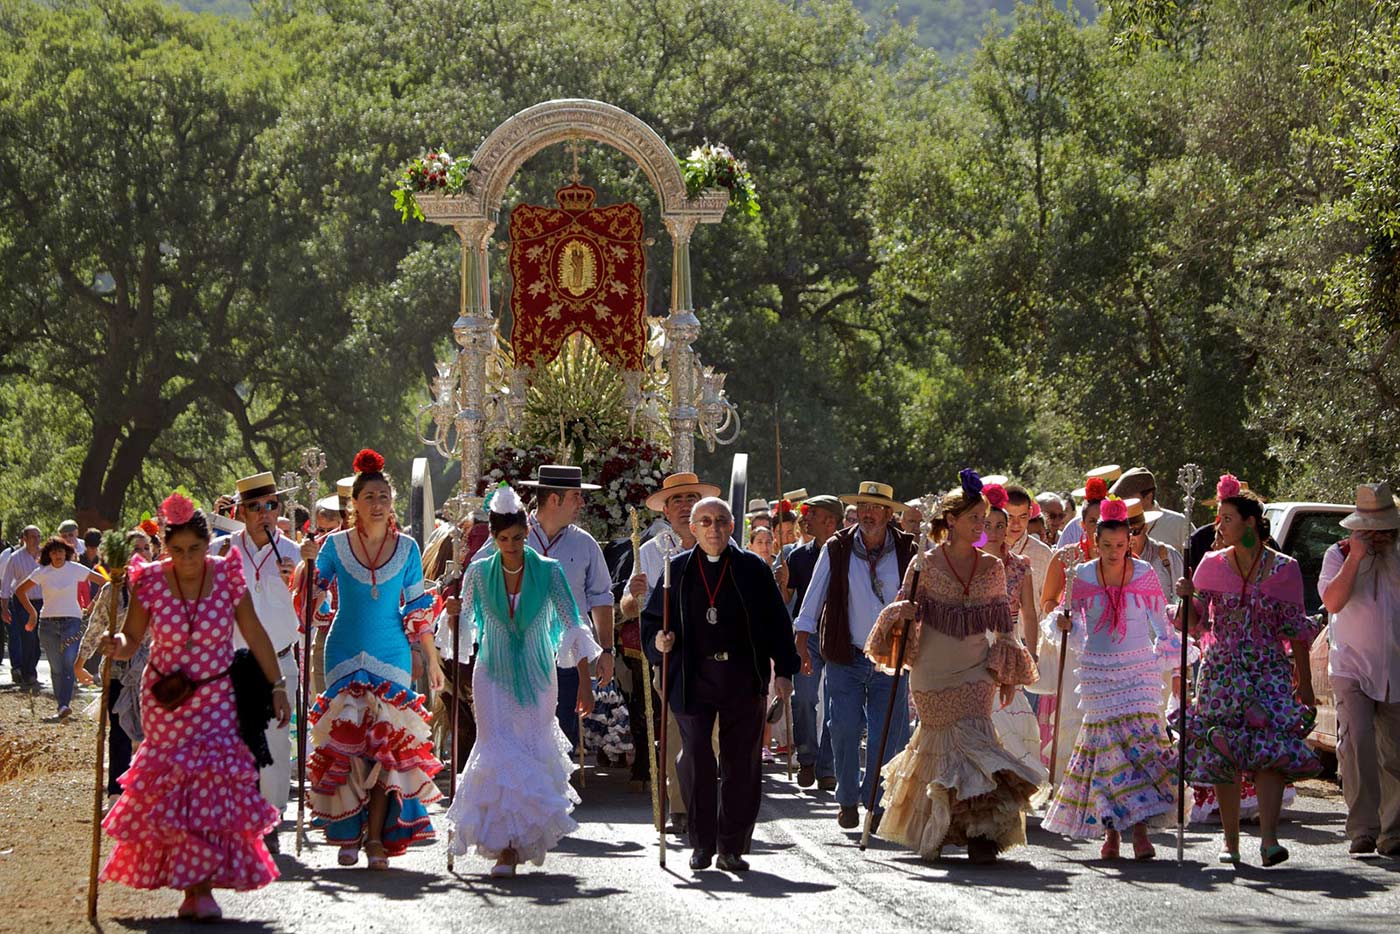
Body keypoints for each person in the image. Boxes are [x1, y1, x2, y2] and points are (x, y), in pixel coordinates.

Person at [98, 494, 288, 922]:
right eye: (177, 550)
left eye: (195, 549)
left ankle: (199, 888)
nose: (186, 559)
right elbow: (131, 639)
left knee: (210, 781)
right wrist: (117, 647)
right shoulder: (147, 581)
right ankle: (191, 886)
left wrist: (277, 684)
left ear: (209, 546)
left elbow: (254, 632)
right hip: (165, 702)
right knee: (177, 786)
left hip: (216, 697)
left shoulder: (226, 576)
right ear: (166, 547)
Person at [869, 471, 1043, 863]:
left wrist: (1007, 672)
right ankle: (942, 826)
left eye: (984, 519)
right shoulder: (923, 563)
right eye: (975, 519)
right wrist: (903, 611)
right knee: (940, 747)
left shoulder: (992, 567)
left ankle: (982, 833)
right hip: (931, 670)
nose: (982, 526)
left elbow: (1003, 625)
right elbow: (900, 610)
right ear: (951, 521)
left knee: (978, 745)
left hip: (976, 669)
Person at [444, 483, 601, 877]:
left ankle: (519, 839)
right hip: (491, 673)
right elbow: (462, 632)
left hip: (538, 674)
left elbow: (572, 626)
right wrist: (453, 612)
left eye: (516, 537)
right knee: (496, 749)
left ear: (526, 533)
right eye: (502, 539)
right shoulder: (478, 574)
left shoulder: (549, 573)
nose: (511, 545)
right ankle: (504, 848)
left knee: (527, 750)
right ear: (493, 539)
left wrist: (585, 683)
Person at [301, 449, 445, 869]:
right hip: (343, 650)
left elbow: (419, 609)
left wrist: (432, 661)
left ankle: (378, 838)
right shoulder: (332, 545)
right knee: (349, 747)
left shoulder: (409, 548)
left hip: (392, 653)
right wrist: (306, 571)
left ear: (392, 501)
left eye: (384, 496)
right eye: (369, 497)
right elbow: (314, 597)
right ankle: (348, 830)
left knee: (386, 750)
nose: (378, 503)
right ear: (354, 504)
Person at [644, 496, 800, 872]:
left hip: (743, 677)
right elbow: (652, 621)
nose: (714, 529)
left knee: (741, 764)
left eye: (721, 521)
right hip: (692, 680)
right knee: (696, 759)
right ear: (693, 529)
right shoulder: (676, 570)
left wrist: (784, 672)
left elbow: (779, 624)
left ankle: (731, 846)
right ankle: (701, 844)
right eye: (706, 522)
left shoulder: (753, 569)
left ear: (733, 527)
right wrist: (658, 641)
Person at [1175, 474, 1322, 866]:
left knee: (1271, 751)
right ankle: (1230, 841)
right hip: (1221, 670)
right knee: (1223, 751)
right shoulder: (1208, 565)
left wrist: (1304, 686)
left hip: (1269, 671)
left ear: (1250, 524)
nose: (1218, 526)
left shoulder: (1285, 569)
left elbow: (1297, 629)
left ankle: (1269, 839)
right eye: (1219, 518)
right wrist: (1186, 596)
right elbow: (1192, 624)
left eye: (1225, 518)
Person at [1042, 498, 1179, 859]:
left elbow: (1159, 623)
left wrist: (1173, 647)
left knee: (1140, 751)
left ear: (1130, 542)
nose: (1114, 552)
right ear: (1095, 541)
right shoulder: (1082, 574)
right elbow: (1066, 617)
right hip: (1099, 671)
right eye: (1107, 546)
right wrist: (1065, 623)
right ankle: (1110, 835)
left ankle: (1140, 832)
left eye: (1121, 545)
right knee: (1107, 755)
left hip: (1138, 671)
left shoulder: (1146, 573)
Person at [795, 481, 918, 830]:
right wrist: (802, 642)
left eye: (876, 507)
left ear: (889, 514)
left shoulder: (909, 550)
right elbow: (813, 598)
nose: (868, 513)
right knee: (844, 728)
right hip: (844, 656)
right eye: (863, 506)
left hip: (891, 658)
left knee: (887, 735)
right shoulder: (838, 546)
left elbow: (925, 601)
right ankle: (847, 797)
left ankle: (874, 802)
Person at [474, 464, 616, 753]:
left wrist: (606, 651)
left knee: (559, 740)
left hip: (569, 660)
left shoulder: (585, 544)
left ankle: (548, 796)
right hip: (517, 656)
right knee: (514, 741)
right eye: (576, 495)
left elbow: (601, 599)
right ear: (554, 499)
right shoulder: (511, 536)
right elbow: (477, 578)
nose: (581, 503)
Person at [619, 471, 721, 834]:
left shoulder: (718, 542)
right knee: (679, 731)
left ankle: (706, 801)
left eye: (690, 498)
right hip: (673, 655)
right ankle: (680, 807)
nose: (683, 506)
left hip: (717, 656)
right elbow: (629, 608)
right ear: (665, 509)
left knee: (712, 736)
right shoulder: (650, 550)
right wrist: (635, 593)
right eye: (676, 500)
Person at [215, 472, 304, 854]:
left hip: (281, 659)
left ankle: (272, 813)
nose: (265, 514)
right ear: (241, 511)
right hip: (232, 661)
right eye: (256, 507)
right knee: (233, 741)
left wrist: (298, 584)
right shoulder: (222, 551)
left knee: (275, 740)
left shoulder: (296, 554)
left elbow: (314, 612)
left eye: (272, 505)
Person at [1319, 482, 1400, 857]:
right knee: (1356, 745)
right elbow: (1333, 602)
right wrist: (1357, 557)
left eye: (1385, 529)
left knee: (1394, 753)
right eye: (1371, 529)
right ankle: (1363, 829)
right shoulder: (1338, 555)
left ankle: (1393, 831)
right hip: (1351, 665)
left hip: (1396, 667)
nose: (1379, 536)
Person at [77, 531, 154, 797]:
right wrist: (80, 662)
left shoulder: (161, 588)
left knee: (153, 733)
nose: (141, 553)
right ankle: (116, 792)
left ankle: (148, 790)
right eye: (135, 549)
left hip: (153, 670)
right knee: (120, 732)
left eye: (146, 548)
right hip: (119, 669)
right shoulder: (112, 590)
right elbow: (95, 628)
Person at [982, 484, 1045, 784]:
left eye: (1000, 525)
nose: (995, 531)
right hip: (972, 643)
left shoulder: (1020, 567)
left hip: (1007, 644)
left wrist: (1031, 652)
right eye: (988, 525)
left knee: (1007, 714)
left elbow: (1030, 613)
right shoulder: (967, 562)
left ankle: (1006, 783)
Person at [784, 495, 842, 790]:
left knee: (836, 704)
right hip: (806, 636)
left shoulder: (849, 553)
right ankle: (807, 757)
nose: (805, 518)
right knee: (804, 698)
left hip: (840, 636)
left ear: (830, 520)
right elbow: (785, 597)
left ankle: (827, 766)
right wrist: (780, 580)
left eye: (813, 513)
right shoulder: (797, 556)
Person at [16, 535, 106, 718]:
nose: (58, 555)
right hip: (47, 624)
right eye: (54, 552)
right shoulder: (43, 572)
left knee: (68, 663)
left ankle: (64, 705)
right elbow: (20, 590)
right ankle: (61, 705)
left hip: (71, 622)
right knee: (56, 667)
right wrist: (32, 613)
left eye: (61, 551)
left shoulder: (74, 569)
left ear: (67, 553)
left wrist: (92, 605)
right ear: (49, 555)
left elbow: (104, 582)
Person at [1004, 484, 1054, 648]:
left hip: (1030, 642)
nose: (1016, 524)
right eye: (1010, 517)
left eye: (1023, 517)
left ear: (1031, 514)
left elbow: (1048, 603)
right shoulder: (988, 549)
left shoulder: (1043, 553)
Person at [1112, 467, 1190, 554]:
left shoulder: (1179, 524)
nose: (1123, 504)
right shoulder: (1117, 526)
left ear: (1148, 497)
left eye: (1128, 499)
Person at [1, 526, 42, 687]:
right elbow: (6, 585)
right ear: (24, 538)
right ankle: (28, 673)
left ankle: (29, 669)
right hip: (22, 602)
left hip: (42, 602)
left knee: (39, 639)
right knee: (28, 637)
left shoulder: (44, 556)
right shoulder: (15, 558)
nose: (36, 540)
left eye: (38, 536)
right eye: (32, 536)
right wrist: (4, 608)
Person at [1059, 465, 1122, 549]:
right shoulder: (1072, 528)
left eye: (1103, 520)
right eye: (1093, 521)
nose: (1098, 526)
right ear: (1083, 524)